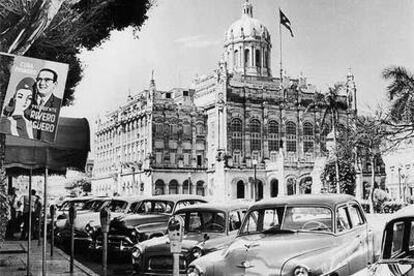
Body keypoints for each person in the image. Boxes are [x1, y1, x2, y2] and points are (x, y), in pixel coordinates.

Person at [31, 68, 62, 142]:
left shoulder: (58, 103)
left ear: (55, 84)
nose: (42, 83)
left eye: (47, 80)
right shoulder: (26, 101)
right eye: (39, 79)